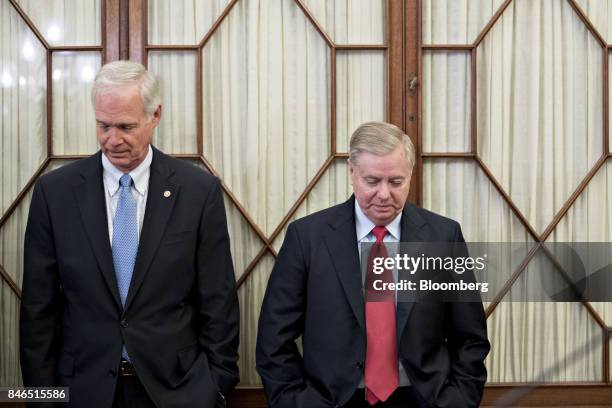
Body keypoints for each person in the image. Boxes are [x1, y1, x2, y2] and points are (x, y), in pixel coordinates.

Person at [20, 60, 239, 408]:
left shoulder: (198, 191)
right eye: (103, 125)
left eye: (126, 126)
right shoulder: (55, 193)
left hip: (177, 392)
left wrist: (216, 387)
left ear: (156, 115)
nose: (113, 139)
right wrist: (41, 400)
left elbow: (218, 302)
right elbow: (38, 312)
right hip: (81, 391)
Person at [256, 122, 490, 407]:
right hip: (331, 401)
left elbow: (470, 338)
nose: (383, 194)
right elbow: (274, 338)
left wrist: (458, 401)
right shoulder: (307, 237)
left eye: (396, 182)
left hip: (424, 399)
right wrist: (295, 401)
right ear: (351, 172)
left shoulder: (444, 236)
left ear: (410, 175)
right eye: (372, 181)